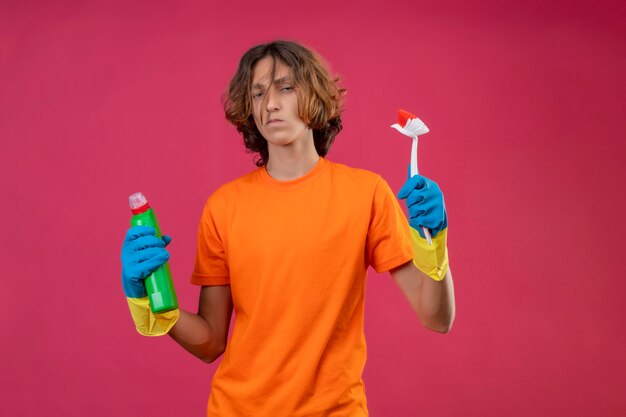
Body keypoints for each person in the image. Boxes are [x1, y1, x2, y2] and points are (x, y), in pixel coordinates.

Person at [120, 40, 455, 417]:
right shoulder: (224, 206)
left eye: (285, 87)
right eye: (258, 92)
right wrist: (146, 301)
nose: (269, 104)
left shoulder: (367, 193)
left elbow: (436, 318)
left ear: (313, 95)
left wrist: (435, 243)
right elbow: (210, 343)